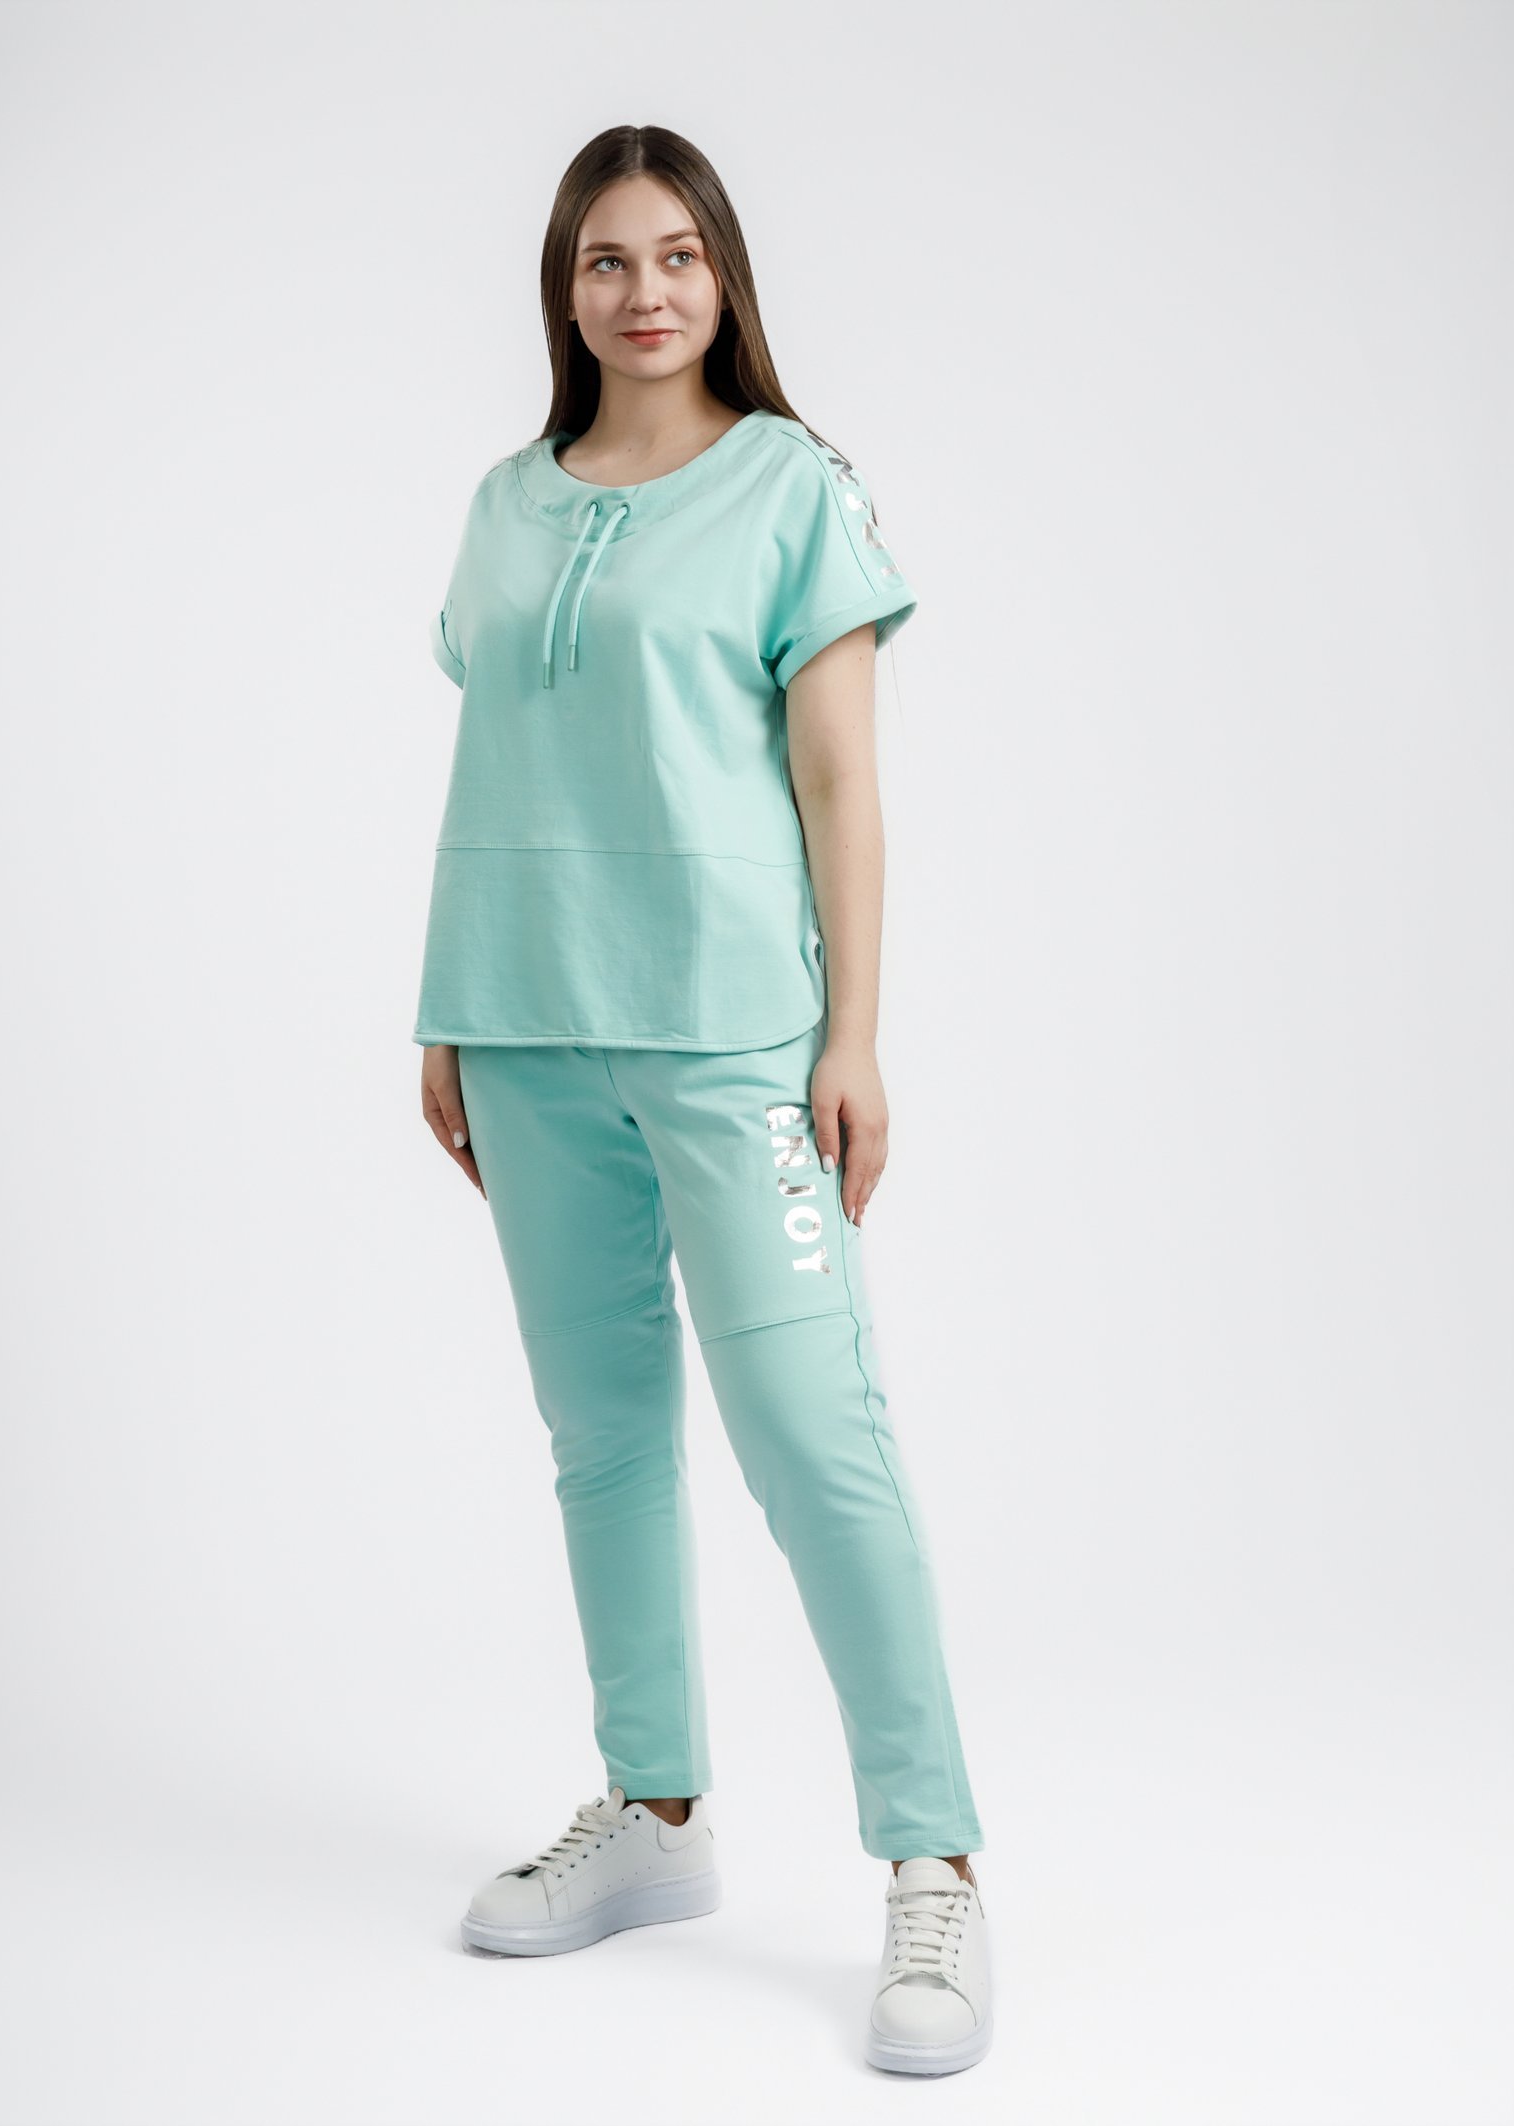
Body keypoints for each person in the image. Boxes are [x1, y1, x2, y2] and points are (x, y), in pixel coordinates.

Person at [415, 122, 993, 2077]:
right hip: (525, 1026)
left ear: (724, 276)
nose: (643, 290)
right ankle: (654, 1809)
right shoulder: (505, 503)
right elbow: (497, 767)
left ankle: (933, 1858)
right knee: (601, 1437)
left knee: (815, 1435)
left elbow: (837, 779)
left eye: (676, 255)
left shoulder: (788, 489)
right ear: (563, 290)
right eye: (606, 259)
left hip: (734, 1034)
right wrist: (447, 1009)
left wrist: (854, 1034)